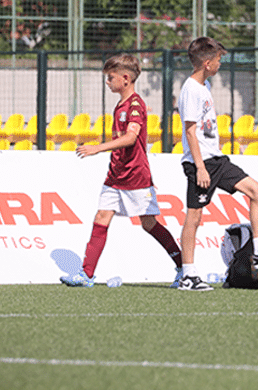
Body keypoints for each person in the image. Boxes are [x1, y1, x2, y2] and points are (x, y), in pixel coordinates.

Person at [177, 36, 258, 291]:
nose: (220, 63)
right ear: (207, 63)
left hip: (217, 160)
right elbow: (190, 132)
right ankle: (188, 275)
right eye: (218, 59)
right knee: (194, 218)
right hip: (202, 163)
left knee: (257, 191)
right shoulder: (191, 90)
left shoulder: (204, 85)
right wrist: (200, 168)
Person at [61, 53, 184, 287]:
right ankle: (86, 274)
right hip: (115, 175)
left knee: (149, 224)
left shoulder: (136, 105)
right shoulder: (121, 105)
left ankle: (182, 267)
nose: (107, 82)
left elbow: (131, 138)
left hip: (135, 176)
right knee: (101, 218)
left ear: (125, 79)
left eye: (110, 78)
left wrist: (98, 148)